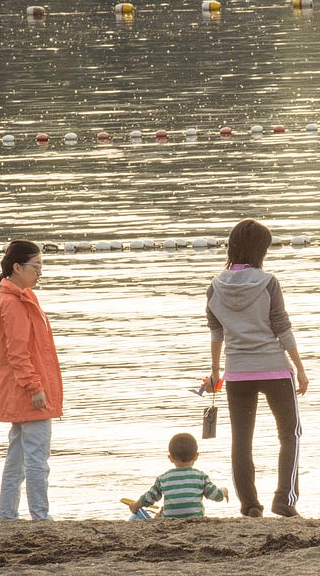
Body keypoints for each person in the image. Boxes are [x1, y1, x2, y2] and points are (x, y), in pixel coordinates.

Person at [205, 219, 309, 518]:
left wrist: (215, 371)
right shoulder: (268, 282)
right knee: (290, 435)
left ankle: (250, 505)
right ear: (260, 250)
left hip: (237, 373)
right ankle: (284, 500)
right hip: (274, 369)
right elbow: (282, 328)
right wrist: (300, 369)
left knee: (241, 439)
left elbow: (216, 332)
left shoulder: (215, 286)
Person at [0, 240, 63, 520]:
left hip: (25, 387)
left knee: (19, 456)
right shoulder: (13, 302)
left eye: (41, 266)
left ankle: (7, 513)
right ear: (17, 267)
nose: (40, 272)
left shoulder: (23, 296)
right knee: (35, 458)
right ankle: (40, 515)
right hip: (29, 390)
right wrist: (35, 387)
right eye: (36, 266)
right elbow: (18, 353)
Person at [129, 433, 229, 518]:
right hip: (196, 521)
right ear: (196, 456)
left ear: (170, 458)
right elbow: (216, 496)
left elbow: (149, 497)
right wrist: (224, 491)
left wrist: (135, 505)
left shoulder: (163, 479)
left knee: (161, 514)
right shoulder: (201, 477)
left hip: (169, 521)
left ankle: (161, 514)